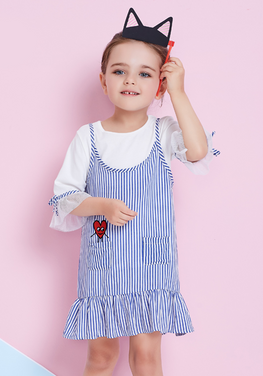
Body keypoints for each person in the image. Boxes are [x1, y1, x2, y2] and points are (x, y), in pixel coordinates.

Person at [49, 8, 218, 376]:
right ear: (103, 79)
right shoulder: (88, 137)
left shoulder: (164, 132)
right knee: (102, 356)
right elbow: (64, 199)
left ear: (159, 83)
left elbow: (198, 151)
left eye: (145, 73)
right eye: (119, 70)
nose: (130, 80)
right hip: (104, 268)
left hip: (151, 266)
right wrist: (101, 204)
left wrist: (178, 92)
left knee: (146, 356)